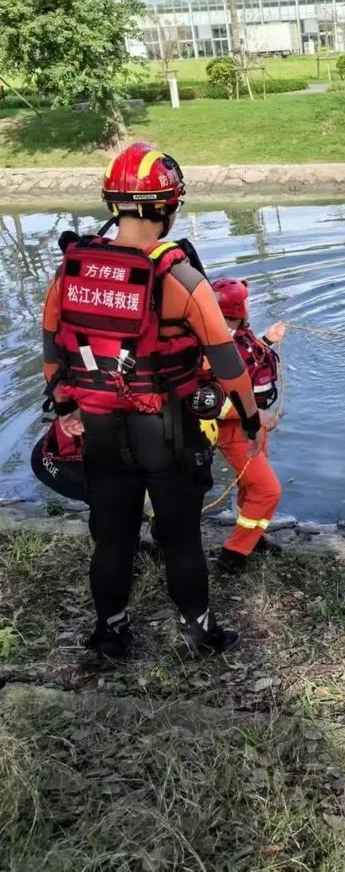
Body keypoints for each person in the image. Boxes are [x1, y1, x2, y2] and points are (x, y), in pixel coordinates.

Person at [41, 143, 262, 660]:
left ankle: (110, 633)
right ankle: (200, 634)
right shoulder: (180, 277)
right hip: (167, 428)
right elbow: (228, 364)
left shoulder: (72, 269)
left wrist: (67, 408)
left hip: (98, 425)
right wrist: (249, 417)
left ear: (112, 203)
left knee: (112, 538)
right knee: (181, 539)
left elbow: (53, 349)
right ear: (167, 206)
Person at [211, 278, 286, 574]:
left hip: (254, 425)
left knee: (251, 486)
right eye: (246, 302)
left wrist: (267, 341)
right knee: (269, 490)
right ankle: (234, 553)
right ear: (238, 308)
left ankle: (253, 538)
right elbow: (213, 401)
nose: (250, 307)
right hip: (238, 430)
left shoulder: (236, 335)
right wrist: (254, 415)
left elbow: (250, 360)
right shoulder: (216, 347)